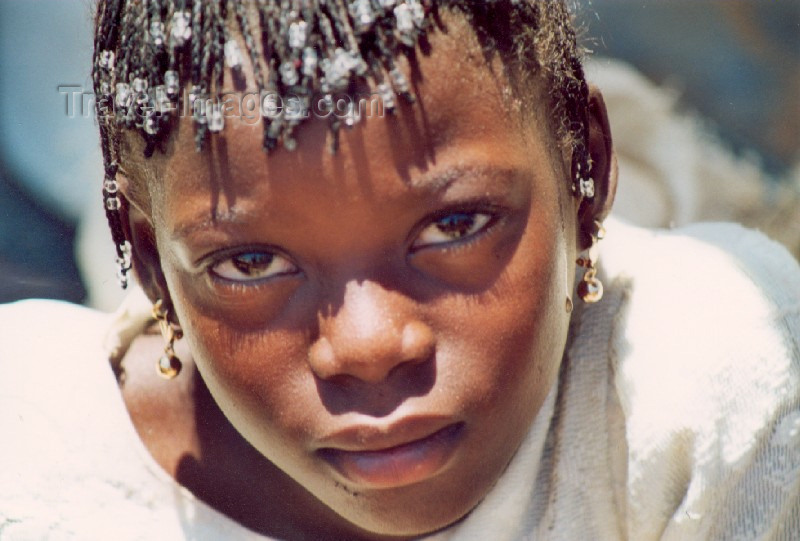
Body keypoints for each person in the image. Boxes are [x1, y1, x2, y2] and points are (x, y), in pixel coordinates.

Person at [1, 1, 798, 539]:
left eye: (455, 225)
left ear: (586, 166)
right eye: (251, 261)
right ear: (145, 260)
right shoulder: (37, 452)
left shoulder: (708, 389)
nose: (369, 344)